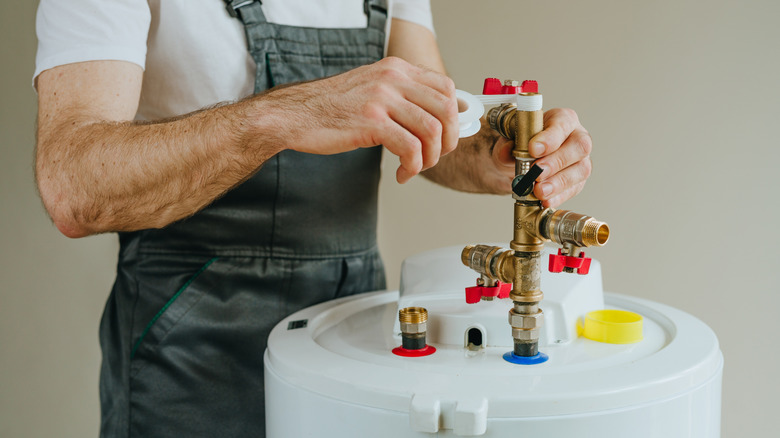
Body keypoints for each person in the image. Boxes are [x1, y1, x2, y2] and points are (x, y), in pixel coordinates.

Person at [33, 0, 593, 436]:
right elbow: (73, 182)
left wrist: (508, 155)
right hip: (189, 348)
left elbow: (439, 129)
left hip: (353, 329)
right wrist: (284, 114)